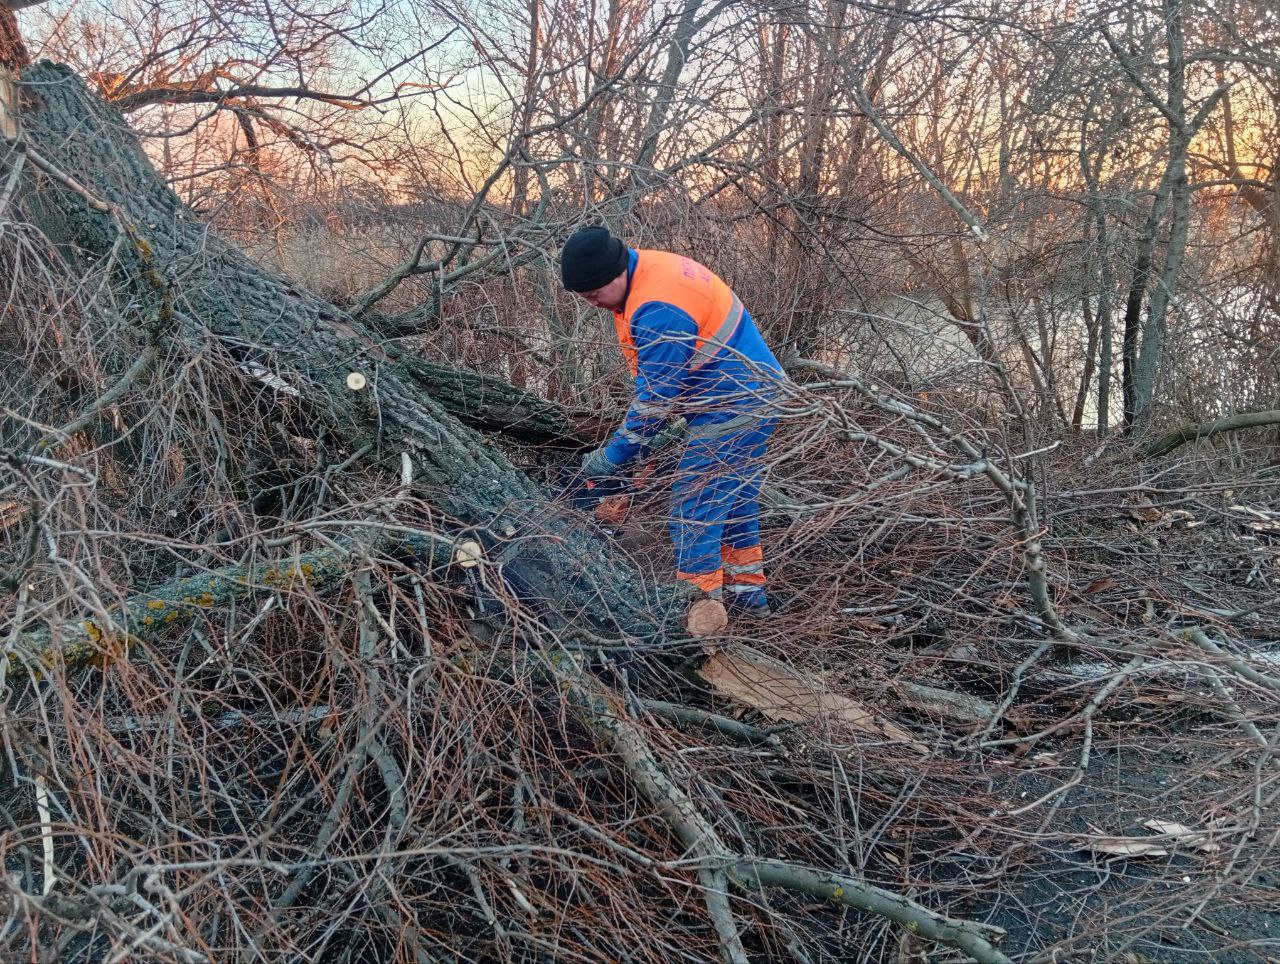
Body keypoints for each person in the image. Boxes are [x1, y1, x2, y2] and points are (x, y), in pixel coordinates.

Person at [559, 226, 783, 624]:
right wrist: (657, 438)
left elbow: (655, 402)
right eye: (582, 296)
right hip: (745, 395)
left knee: (693, 508)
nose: (590, 302)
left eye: (594, 293)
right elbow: (666, 385)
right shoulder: (644, 272)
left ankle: (700, 611)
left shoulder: (658, 309)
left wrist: (611, 458)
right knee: (732, 503)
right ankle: (749, 599)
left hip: (733, 404)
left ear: (615, 273)